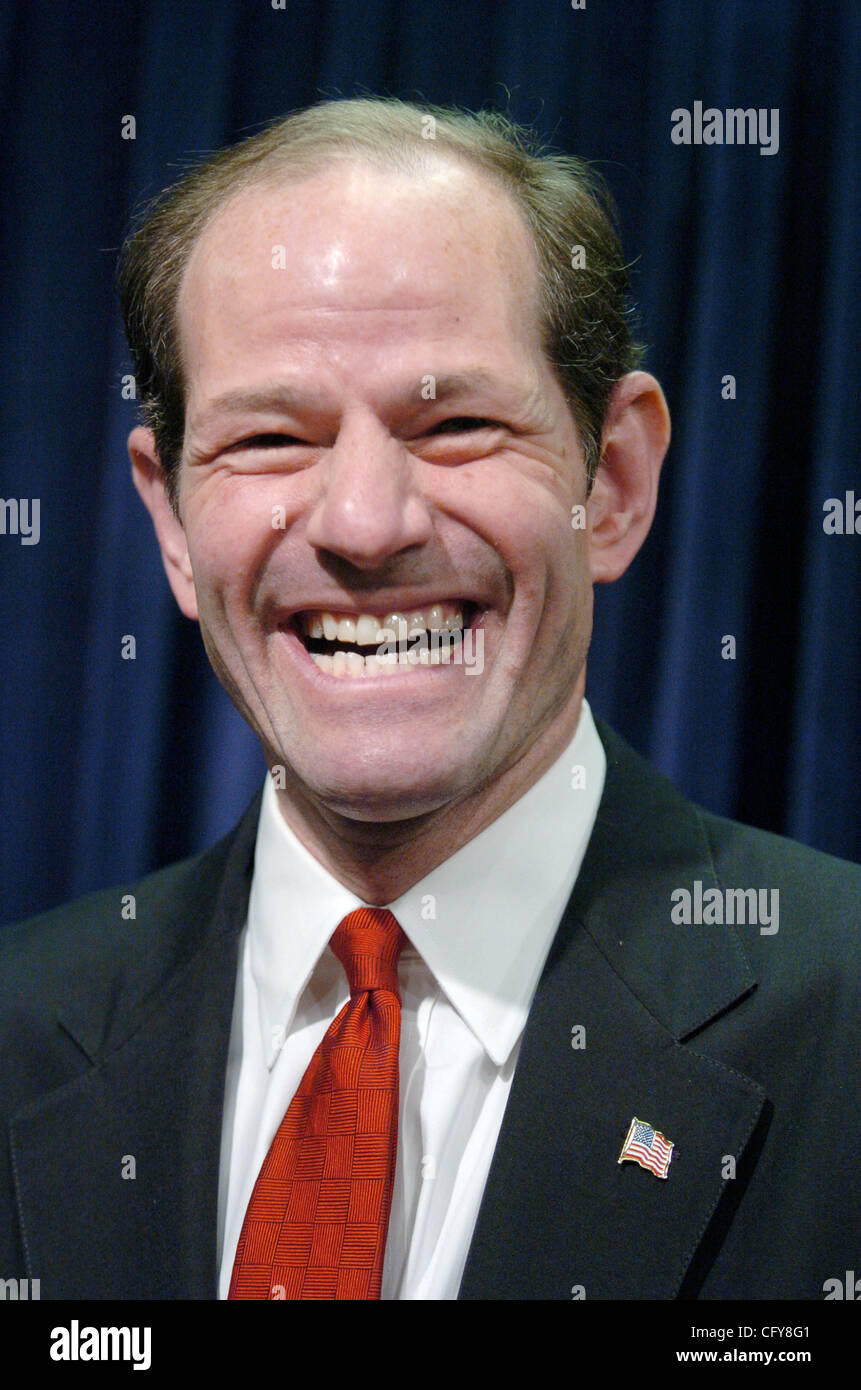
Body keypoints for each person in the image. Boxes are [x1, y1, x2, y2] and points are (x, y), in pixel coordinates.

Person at [1, 97, 858, 1302]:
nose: (363, 523)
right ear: (173, 522)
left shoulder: (844, 1020)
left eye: (455, 423)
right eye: (270, 439)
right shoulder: (16, 1029)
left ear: (611, 483)